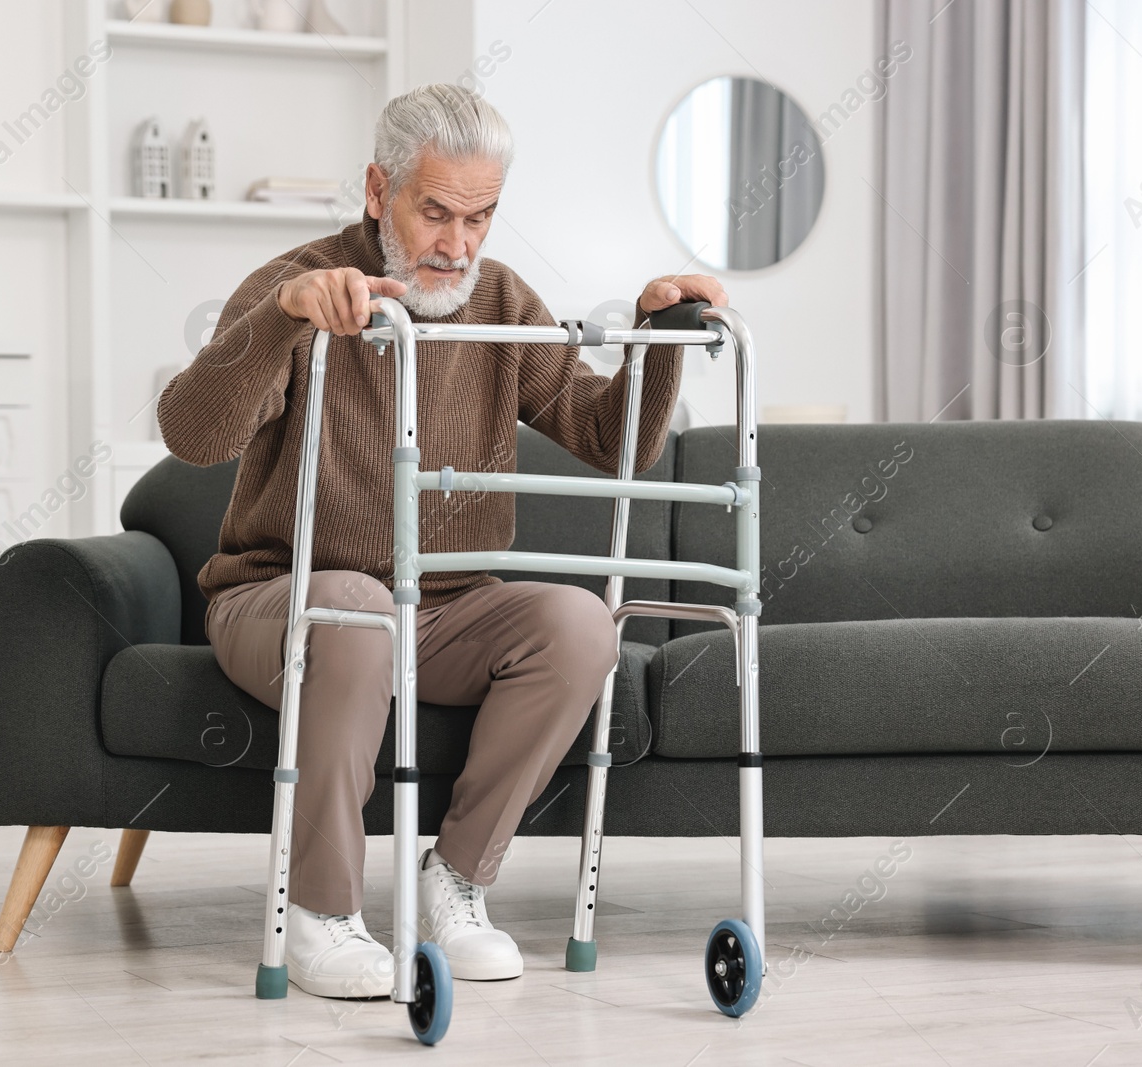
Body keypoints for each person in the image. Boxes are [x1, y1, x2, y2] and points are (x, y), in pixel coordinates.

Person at [157, 84, 726, 999]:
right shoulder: (295, 284)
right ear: (379, 191)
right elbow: (192, 434)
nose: (457, 244)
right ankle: (321, 912)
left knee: (581, 623)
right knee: (357, 611)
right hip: (288, 595)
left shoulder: (498, 298)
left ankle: (453, 879)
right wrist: (282, 321)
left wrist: (655, 339)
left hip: (447, 605)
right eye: (434, 212)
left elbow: (602, 434)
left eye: (481, 216)